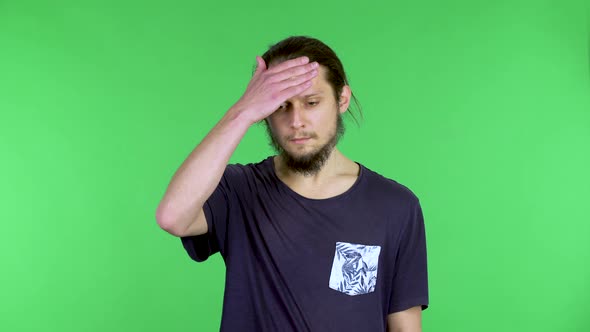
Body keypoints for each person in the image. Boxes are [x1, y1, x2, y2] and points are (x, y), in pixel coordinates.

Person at [155, 35, 429, 332]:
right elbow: (172, 216)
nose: (296, 120)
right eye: (280, 106)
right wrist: (243, 111)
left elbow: (405, 327)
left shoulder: (395, 206)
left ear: (342, 99)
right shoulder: (239, 189)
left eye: (311, 102)